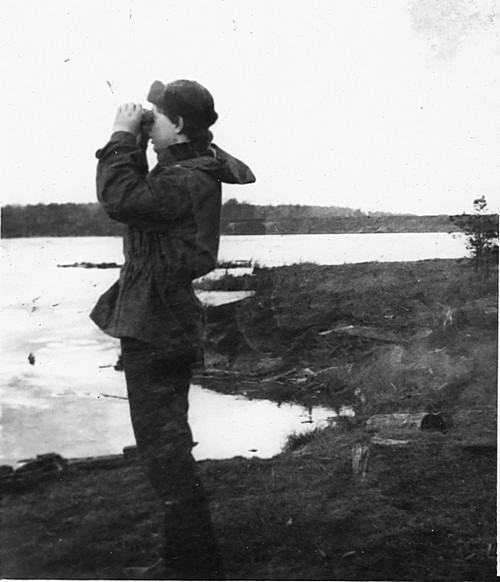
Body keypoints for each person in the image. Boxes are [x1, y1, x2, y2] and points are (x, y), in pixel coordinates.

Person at [90, 79, 255, 580]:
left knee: (165, 452)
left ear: (178, 124)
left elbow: (120, 198)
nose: (148, 120)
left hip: (157, 323)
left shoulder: (185, 179)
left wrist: (122, 137)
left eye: (156, 116)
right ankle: (184, 558)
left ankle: (195, 566)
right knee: (166, 447)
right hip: (161, 318)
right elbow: (142, 200)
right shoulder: (187, 169)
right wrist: (142, 142)